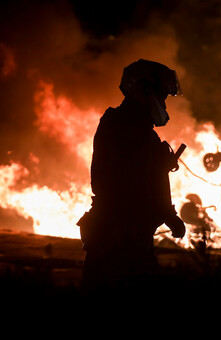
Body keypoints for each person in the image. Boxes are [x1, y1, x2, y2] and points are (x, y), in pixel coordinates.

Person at [77, 59, 186, 291]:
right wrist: (168, 214)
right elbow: (136, 181)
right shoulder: (125, 127)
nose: (164, 105)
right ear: (145, 91)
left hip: (119, 232)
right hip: (119, 235)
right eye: (162, 96)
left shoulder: (130, 127)